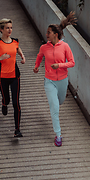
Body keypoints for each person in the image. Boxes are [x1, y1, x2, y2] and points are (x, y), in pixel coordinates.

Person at [33, 12, 77, 147]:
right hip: (49, 81)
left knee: (60, 101)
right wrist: (36, 66)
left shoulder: (65, 47)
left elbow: (72, 63)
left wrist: (59, 65)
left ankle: (62, 96)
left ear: (55, 35)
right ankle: (58, 135)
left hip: (63, 80)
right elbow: (40, 56)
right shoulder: (44, 47)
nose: (46, 34)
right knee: (55, 108)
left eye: (48, 32)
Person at [0, 18, 25, 137]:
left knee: (16, 103)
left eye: (11, 27)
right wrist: (0, 57)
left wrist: (23, 57)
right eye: (7, 28)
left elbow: (18, 49)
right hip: (3, 76)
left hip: (15, 75)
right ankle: (4, 104)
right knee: (7, 100)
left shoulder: (15, 41)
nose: (10, 30)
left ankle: (17, 130)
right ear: (1, 29)